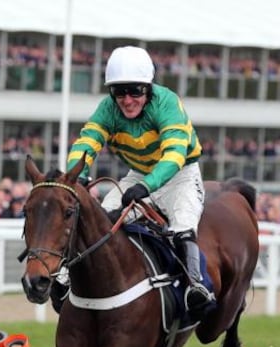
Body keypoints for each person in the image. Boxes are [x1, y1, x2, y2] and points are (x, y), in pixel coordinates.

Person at [65, 45, 213, 315]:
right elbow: (86, 142)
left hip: (180, 176)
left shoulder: (167, 103)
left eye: (135, 90)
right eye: (119, 91)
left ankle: (195, 285)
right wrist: (78, 176)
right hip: (138, 174)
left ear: (149, 87)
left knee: (182, 225)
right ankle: (67, 280)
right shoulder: (108, 109)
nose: (127, 99)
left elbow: (174, 154)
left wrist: (145, 187)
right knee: (101, 221)